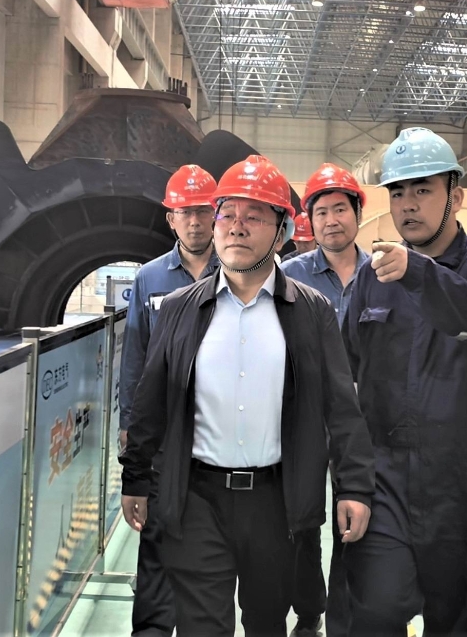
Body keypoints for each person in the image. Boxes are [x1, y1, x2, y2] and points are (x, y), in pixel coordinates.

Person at [121, 155, 376, 637]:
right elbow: (150, 401)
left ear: (281, 234)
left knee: (266, 621)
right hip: (197, 497)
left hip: (276, 503)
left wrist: (355, 487)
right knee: (201, 626)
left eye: (254, 216)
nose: (236, 227)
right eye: (227, 215)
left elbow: (341, 408)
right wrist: (135, 477)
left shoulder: (311, 312)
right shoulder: (179, 310)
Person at [342, 128, 467, 635]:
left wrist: (419, 273)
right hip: (384, 483)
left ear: (455, 197)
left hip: (459, 489)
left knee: (454, 622)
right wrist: (348, 478)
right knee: (374, 614)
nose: (407, 204)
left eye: (422, 189)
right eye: (397, 192)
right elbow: (344, 373)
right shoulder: (370, 278)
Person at [119, 164, 222, 637]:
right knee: (157, 540)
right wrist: (129, 427)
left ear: (216, 213)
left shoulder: (238, 270)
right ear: (171, 219)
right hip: (162, 433)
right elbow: (135, 357)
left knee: (210, 547)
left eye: (202, 211)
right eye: (185, 212)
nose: (195, 222)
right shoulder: (150, 278)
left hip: (218, 432)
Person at [280, 163, 371, 637]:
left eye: (340, 209)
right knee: (304, 520)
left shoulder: (384, 274)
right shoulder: (288, 278)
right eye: (321, 212)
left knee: (356, 519)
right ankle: (309, 610)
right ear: (309, 221)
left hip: (367, 425)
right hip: (306, 420)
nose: (331, 220)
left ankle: (344, 619)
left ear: (358, 213)